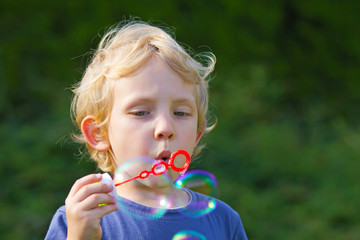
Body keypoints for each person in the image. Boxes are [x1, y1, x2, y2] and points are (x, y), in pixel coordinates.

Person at [45, 20, 247, 240]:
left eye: (180, 113)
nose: (166, 128)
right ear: (98, 133)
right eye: (141, 112)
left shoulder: (224, 221)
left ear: (197, 134)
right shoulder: (78, 221)